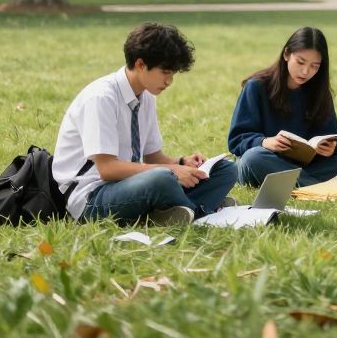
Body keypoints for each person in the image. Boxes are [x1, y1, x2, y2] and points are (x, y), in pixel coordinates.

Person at [52, 23, 237, 225]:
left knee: (226, 169)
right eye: (165, 72)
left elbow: (153, 157)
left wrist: (182, 163)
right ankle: (204, 210)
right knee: (163, 179)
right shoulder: (101, 97)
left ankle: (183, 210)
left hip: (129, 186)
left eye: (173, 74)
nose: (169, 81)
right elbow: (107, 169)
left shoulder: (146, 97)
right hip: (92, 197)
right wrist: (172, 171)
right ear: (140, 64)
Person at [228, 26, 337, 187]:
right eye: (300, 62)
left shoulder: (319, 92)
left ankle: (296, 183)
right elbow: (237, 140)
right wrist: (264, 142)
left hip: (300, 165)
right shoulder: (256, 86)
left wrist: (329, 148)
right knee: (253, 157)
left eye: (315, 66)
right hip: (263, 160)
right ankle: (314, 187)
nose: (305, 71)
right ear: (286, 54)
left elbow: (330, 135)